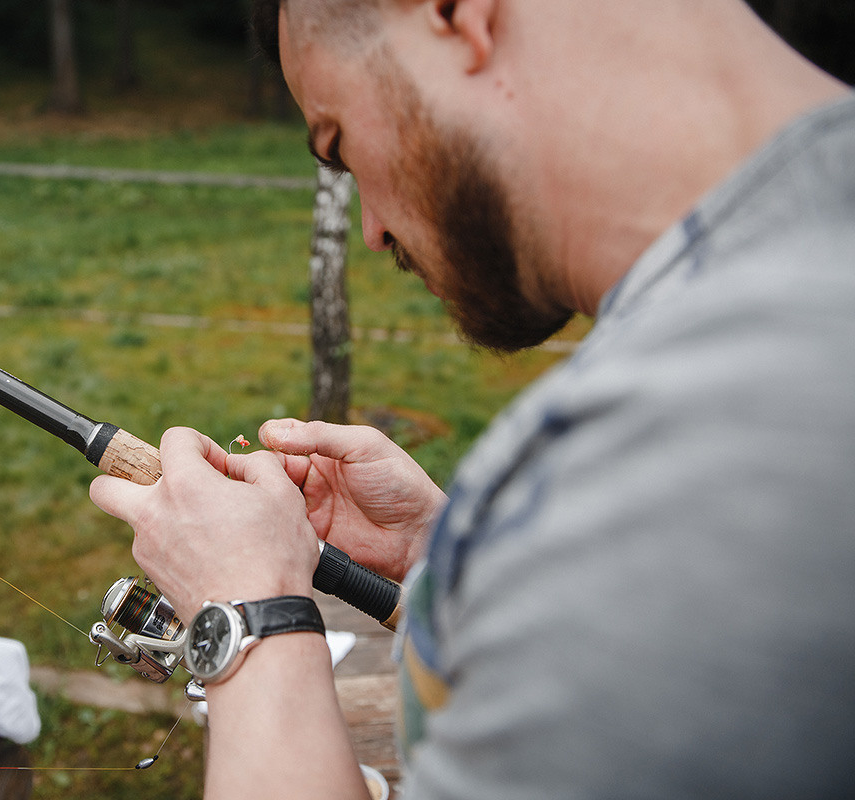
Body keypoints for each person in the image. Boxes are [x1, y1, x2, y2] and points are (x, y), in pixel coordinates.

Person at [91, 1, 855, 797]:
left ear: (455, 14)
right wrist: (460, 553)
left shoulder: (668, 458)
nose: (374, 230)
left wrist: (242, 617)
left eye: (339, 144)